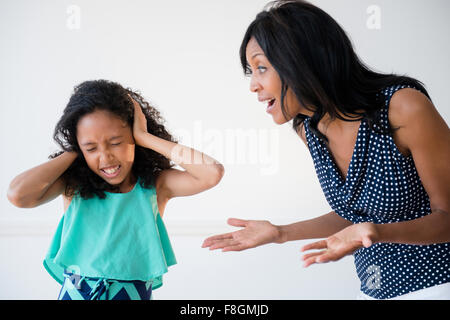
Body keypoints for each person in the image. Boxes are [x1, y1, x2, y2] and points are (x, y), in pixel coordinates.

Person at [202, 0, 450, 300]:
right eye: (250, 71)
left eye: (262, 68)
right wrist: (280, 233)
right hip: (374, 292)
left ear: (302, 61)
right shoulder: (308, 129)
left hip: (437, 286)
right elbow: (355, 215)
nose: (253, 85)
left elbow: (446, 216)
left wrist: (377, 232)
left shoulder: (403, 107)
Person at [7, 79, 224, 300]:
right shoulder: (73, 184)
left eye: (116, 142)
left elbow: (211, 173)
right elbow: (18, 195)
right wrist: (74, 150)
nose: (105, 157)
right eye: (91, 147)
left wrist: (146, 138)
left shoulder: (154, 185)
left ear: (133, 135)